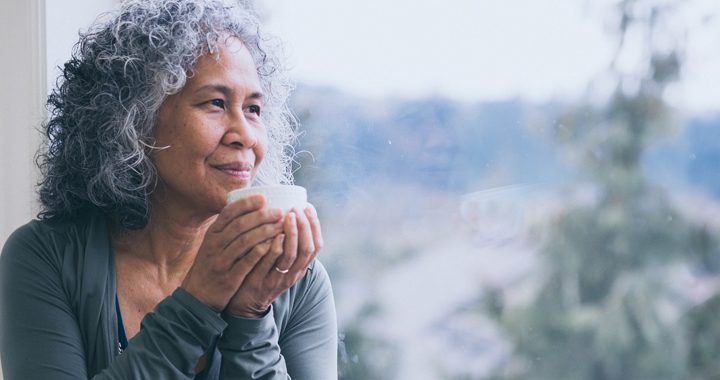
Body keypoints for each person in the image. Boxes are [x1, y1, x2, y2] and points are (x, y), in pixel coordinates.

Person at [0, 0, 337, 379]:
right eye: (215, 103)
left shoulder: (294, 279)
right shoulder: (46, 258)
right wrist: (197, 302)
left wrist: (252, 316)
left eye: (254, 109)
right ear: (133, 119)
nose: (245, 135)